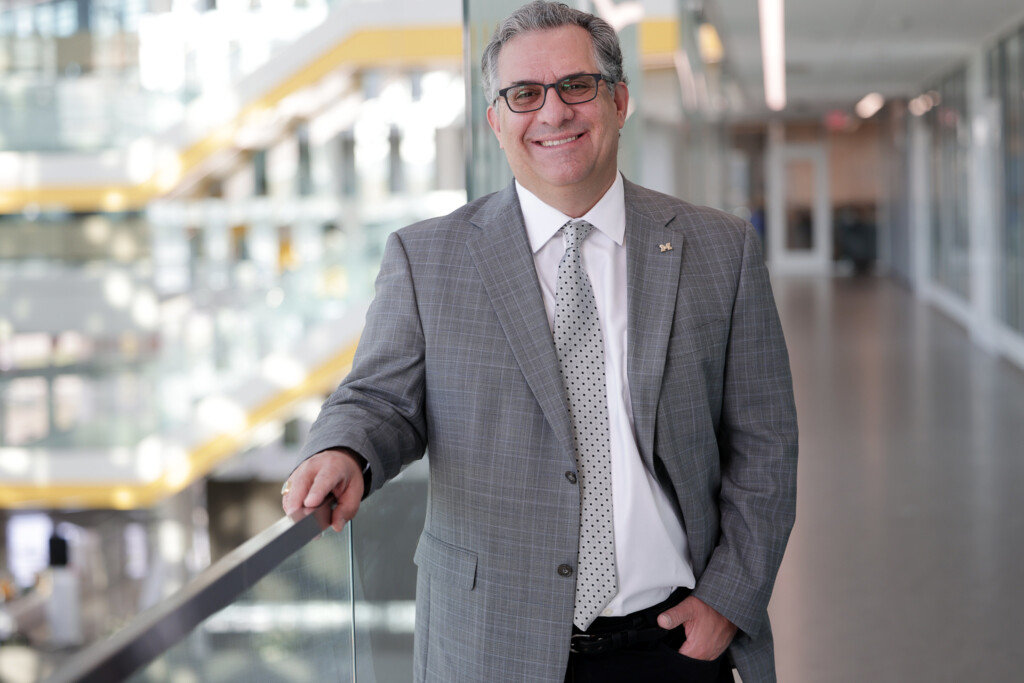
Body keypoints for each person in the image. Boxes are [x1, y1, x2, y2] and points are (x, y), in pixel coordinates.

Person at [281, 2, 797, 681]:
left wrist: (728, 596)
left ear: (619, 100)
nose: (552, 113)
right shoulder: (427, 257)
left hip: (674, 642)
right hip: (492, 643)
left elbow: (765, 443)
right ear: (496, 121)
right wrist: (344, 447)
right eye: (524, 94)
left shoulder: (717, 249)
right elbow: (379, 398)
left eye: (575, 86)